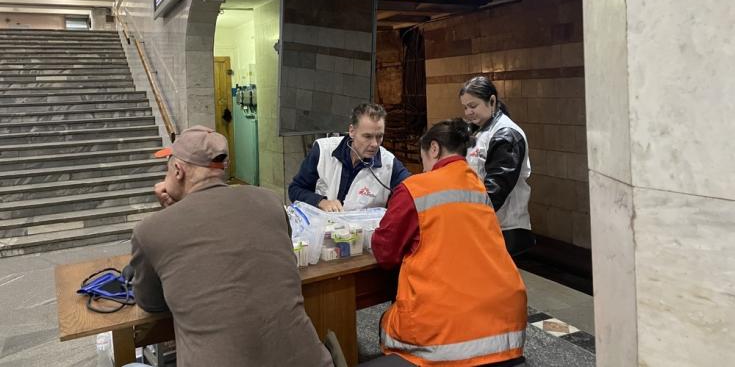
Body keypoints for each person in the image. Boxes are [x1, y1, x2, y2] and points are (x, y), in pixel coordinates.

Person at [130, 125, 333, 367]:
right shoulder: (269, 201)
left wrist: (171, 214)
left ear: (177, 170)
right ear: (221, 168)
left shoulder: (150, 231)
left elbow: (151, 303)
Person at [371, 119, 528, 366]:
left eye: (423, 158)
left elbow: (385, 253)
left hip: (445, 334)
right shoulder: (478, 188)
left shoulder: (415, 188)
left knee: (388, 321)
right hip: (506, 326)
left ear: (433, 149)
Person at [460, 76, 534, 256]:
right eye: (465, 107)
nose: (468, 112)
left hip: (505, 229)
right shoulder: (480, 130)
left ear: (491, 101)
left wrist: (467, 218)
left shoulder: (506, 134)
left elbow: (496, 188)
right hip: (486, 225)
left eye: (473, 106)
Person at [288, 103, 411, 212]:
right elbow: (295, 190)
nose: (374, 144)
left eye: (379, 136)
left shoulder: (389, 164)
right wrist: (321, 202)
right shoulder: (323, 150)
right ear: (352, 131)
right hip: (322, 232)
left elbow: (412, 192)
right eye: (367, 136)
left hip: (364, 235)